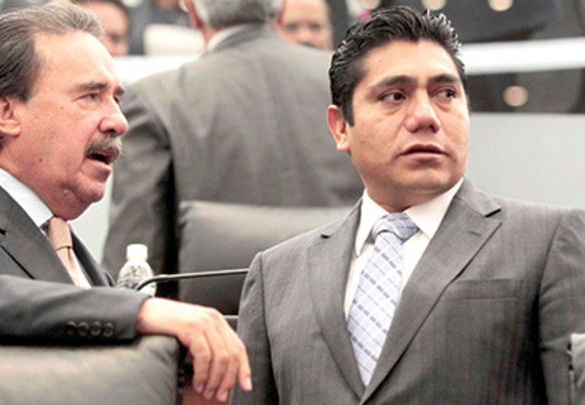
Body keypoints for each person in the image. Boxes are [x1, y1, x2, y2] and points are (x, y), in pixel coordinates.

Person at [0, 4, 249, 403]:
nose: (119, 121)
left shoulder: (85, 266)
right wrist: (137, 311)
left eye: (115, 98)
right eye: (91, 96)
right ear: (6, 112)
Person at [232, 6, 585, 404]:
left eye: (446, 94)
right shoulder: (276, 276)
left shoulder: (548, 242)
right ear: (341, 127)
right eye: (395, 96)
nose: (426, 117)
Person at [104, 0, 363, 286]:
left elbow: (132, 267)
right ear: (282, 11)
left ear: (192, 12)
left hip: (204, 312)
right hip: (346, 301)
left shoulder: (157, 99)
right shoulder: (354, 84)